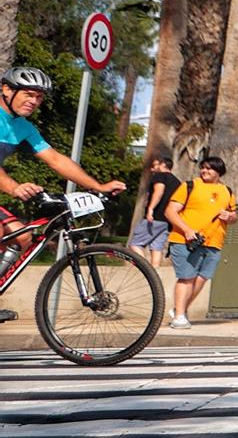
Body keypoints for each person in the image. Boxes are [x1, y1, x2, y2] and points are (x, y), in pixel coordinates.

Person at [0, 66, 129, 323]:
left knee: (22, 237)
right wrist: (14, 187)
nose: (34, 101)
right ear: (6, 90)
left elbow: (56, 160)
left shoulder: (22, 128)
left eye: (39, 97)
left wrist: (98, 186)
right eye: (28, 94)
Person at [162, 156, 237, 328]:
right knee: (186, 277)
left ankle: (180, 309)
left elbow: (234, 216)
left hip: (214, 242)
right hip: (185, 240)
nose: (204, 171)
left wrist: (230, 216)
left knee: (202, 278)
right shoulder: (189, 186)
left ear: (219, 171)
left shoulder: (227, 191)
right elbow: (170, 211)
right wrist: (187, 230)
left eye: (209, 168)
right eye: (203, 167)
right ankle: (180, 316)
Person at [133, 153, 179, 265]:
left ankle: (145, 269)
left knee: (135, 244)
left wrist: (150, 209)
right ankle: (155, 272)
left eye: (155, 166)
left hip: (155, 217)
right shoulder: (177, 182)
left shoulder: (160, 176)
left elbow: (158, 192)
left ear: (162, 165)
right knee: (156, 247)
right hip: (168, 220)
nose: (152, 169)